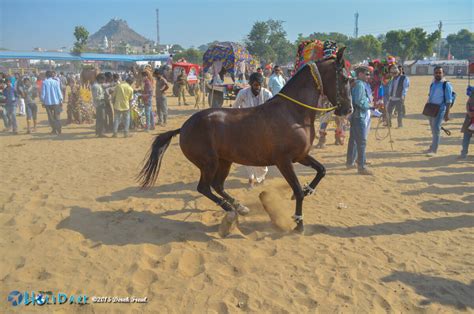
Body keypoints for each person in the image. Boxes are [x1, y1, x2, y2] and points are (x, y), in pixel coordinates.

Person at [233, 72, 273, 187]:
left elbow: (272, 111)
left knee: (263, 155)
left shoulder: (267, 94)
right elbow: (235, 108)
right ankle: (251, 178)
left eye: (259, 85)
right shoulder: (243, 93)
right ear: (250, 84)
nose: (257, 87)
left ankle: (261, 177)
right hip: (246, 127)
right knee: (248, 154)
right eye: (255, 85)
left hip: (263, 129)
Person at [346, 66, 373, 175]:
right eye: (366, 74)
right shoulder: (360, 85)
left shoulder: (355, 83)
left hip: (354, 116)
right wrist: (369, 106)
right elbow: (358, 101)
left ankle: (350, 162)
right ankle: (361, 166)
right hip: (359, 116)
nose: (368, 76)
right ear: (360, 74)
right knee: (361, 142)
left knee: (353, 140)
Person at [425, 66, 454, 157]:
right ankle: (432, 145)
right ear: (433, 73)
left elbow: (449, 100)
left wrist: (447, 114)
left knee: (436, 129)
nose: (438, 74)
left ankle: (434, 150)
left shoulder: (446, 84)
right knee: (433, 129)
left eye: (439, 72)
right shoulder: (433, 83)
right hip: (431, 109)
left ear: (443, 73)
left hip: (440, 109)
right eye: (436, 72)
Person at [41, 70, 64, 135]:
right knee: (57, 116)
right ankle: (59, 130)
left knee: (51, 117)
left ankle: (54, 130)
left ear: (46, 75)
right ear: (52, 75)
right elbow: (59, 92)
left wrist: (43, 101)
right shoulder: (56, 82)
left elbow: (43, 93)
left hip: (48, 102)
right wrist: (61, 100)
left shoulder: (44, 82)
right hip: (56, 102)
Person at [459, 87, 473, 159]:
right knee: (466, 136)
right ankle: (463, 153)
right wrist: (468, 112)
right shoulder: (473, 92)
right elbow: (468, 103)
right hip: (469, 118)